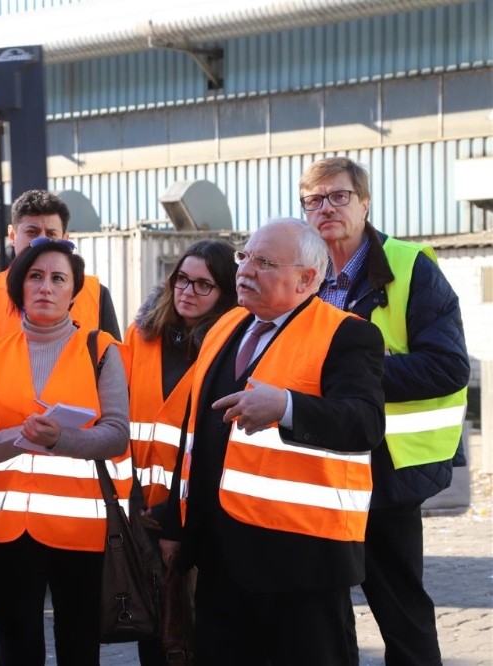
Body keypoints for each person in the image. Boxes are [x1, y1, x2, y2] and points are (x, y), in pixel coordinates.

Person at [159, 218, 386, 666]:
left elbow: (364, 422)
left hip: (302, 565)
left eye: (264, 262)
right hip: (221, 561)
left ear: (307, 278)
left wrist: (286, 407)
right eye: (245, 256)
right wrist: (174, 524)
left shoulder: (346, 334)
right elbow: (195, 435)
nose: (245, 270)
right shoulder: (226, 327)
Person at [299, 157, 470, 666]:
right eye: (313, 200)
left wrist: (352, 378)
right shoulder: (297, 271)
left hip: (385, 471)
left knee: (401, 613)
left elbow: (446, 367)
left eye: (338, 196)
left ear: (365, 202)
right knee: (323, 614)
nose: (325, 208)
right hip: (313, 468)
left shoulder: (410, 266)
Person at [0, 237, 131, 666]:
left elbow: (115, 435)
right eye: (35, 277)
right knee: (16, 649)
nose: (46, 287)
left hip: (80, 533)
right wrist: (20, 435)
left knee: (79, 648)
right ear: (19, 286)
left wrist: (60, 440)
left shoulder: (102, 350)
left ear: (75, 291)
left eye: (58, 278)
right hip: (9, 532)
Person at [125, 238, 237, 664]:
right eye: (182, 280)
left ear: (225, 294)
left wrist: (177, 519)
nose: (188, 292)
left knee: (194, 632)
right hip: (140, 510)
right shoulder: (141, 335)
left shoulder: (229, 348)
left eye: (202, 285)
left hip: (197, 513)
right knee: (155, 632)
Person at [0, 189, 122, 340]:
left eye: (51, 234)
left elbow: (114, 360)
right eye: (32, 232)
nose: (42, 242)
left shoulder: (95, 294)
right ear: (12, 236)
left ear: (65, 239)